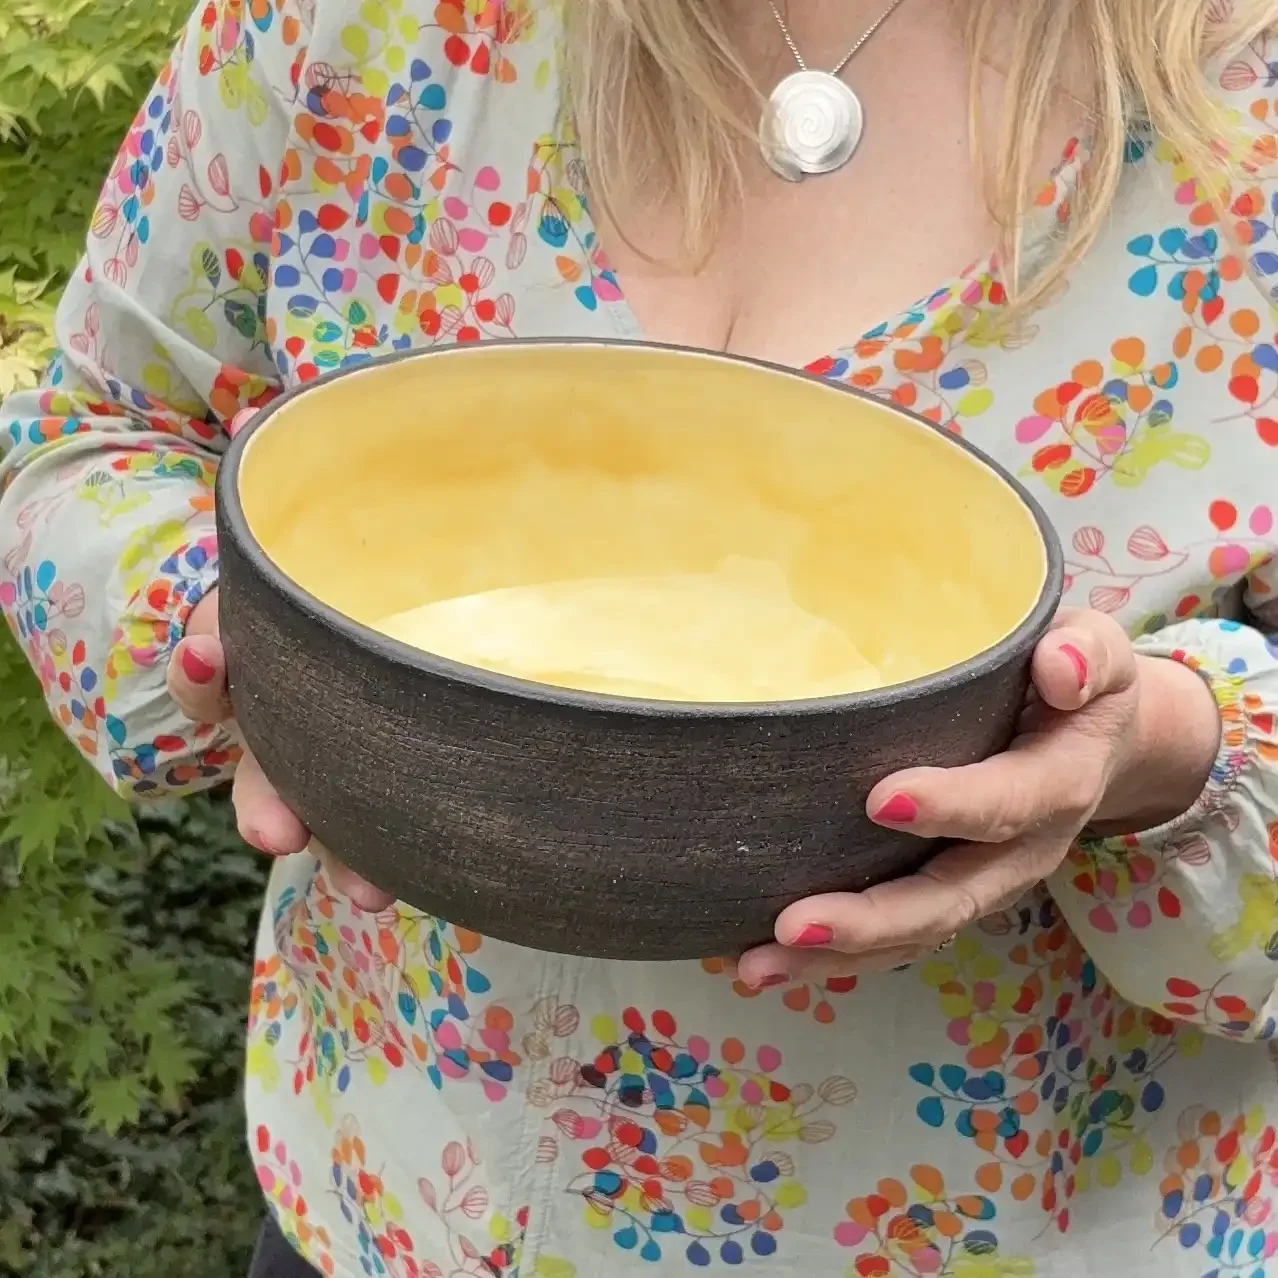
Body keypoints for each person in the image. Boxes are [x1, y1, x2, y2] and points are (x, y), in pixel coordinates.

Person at [6, 0, 1278, 1271]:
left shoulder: (1245, 114)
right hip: (386, 1209)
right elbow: (90, 434)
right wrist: (251, 643)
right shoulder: (359, 24)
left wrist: (1163, 753)